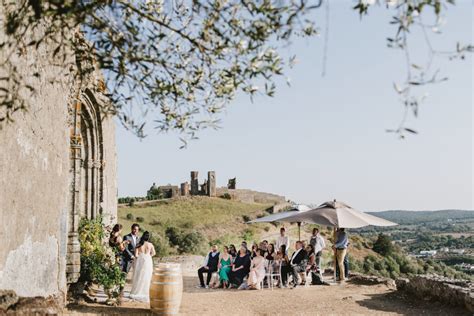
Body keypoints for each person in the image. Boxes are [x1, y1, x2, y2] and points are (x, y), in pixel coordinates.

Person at [129, 231, 155, 301]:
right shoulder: (150, 244)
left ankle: (137, 290)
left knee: (139, 275)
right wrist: (148, 256)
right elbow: (154, 253)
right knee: (147, 275)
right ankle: (145, 291)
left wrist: (141, 256)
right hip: (148, 261)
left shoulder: (139, 244)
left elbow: (136, 255)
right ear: (148, 237)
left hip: (140, 261)